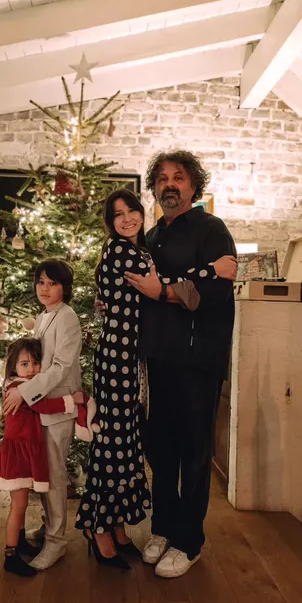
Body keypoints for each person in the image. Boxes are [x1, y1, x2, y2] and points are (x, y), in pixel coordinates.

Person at [82, 189, 236, 569]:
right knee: (115, 444)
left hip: (140, 359)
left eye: (131, 210)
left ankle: (127, 530)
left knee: (129, 444)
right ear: (110, 223)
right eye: (118, 215)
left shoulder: (157, 242)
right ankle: (100, 529)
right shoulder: (128, 250)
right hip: (121, 360)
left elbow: (157, 289)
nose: (127, 218)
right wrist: (211, 269)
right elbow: (163, 283)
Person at [124, 150, 237, 578]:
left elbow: (216, 292)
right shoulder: (151, 237)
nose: (169, 184)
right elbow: (144, 290)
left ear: (193, 186)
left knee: (193, 453)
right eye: (162, 178)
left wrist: (165, 291)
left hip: (197, 360)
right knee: (161, 450)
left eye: (179, 177)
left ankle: (189, 542)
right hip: (157, 358)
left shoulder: (212, 229)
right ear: (154, 187)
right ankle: (164, 528)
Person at [3, 259, 82, 570]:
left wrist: (24, 392)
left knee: (55, 475)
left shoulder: (68, 317)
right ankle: (50, 528)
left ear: (65, 287)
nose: (45, 289)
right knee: (45, 474)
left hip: (57, 404)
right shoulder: (43, 316)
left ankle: (56, 541)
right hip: (41, 405)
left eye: (52, 283)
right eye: (41, 282)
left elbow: (61, 366)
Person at [0, 337, 84, 577]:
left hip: (23, 451)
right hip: (18, 456)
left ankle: (20, 542)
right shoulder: (20, 388)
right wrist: (71, 400)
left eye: (35, 363)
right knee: (19, 505)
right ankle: (10, 555)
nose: (32, 369)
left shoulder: (22, 385)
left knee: (21, 505)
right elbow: (44, 407)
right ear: (13, 367)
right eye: (25, 364)